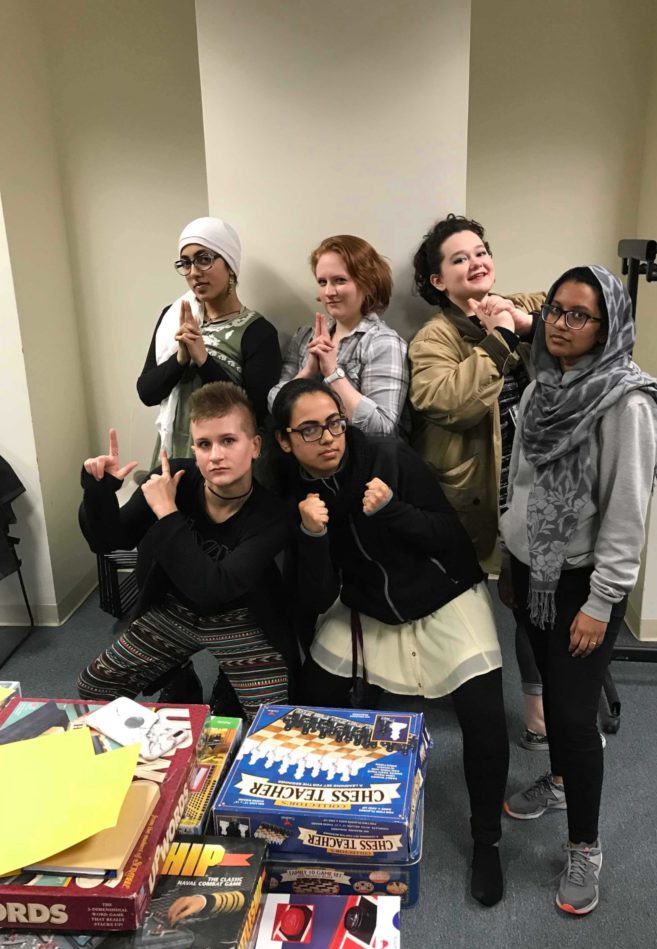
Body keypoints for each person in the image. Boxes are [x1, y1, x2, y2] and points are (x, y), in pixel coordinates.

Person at [271, 379, 509, 908]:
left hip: (443, 598)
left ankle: (487, 841)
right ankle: (329, 827)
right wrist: (310, 535)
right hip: (367, 609)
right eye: (309, 430)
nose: (328, 438)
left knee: (484, 714)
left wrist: (392, 511)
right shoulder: (289, 491)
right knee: (315, 702)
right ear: (285, 441)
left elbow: (450, 535)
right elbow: (311, 597)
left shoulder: (386, 455)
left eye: (334, 422)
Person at [500, 265, 657, 916]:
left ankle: (585, 845)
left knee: (574, 717)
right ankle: (562, 783)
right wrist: (507, 551)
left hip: (581, 582)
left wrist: (603, 604)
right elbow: (517, 481)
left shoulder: (627, 402)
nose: (560, 323)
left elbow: (628, 515)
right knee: (548, 687)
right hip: (533, 571)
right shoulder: (547, 385)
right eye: (555, 310)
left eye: (579, 314)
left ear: (611, 327)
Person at [78, 382, 297, 719]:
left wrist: (167, 513)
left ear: (254, 446)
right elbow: (109, 540)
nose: (216, 455)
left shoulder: (273, 514)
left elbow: (215, 589)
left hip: (239, 618)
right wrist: (99, 490)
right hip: (174, 611)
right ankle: (182, 683)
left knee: (271, 719)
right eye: (204, 444)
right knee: (95, 687)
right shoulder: (173, 480)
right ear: (193, 449)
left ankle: (229, 684)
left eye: (228, 441)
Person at [409, 214, 545, 575]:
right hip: (481, 493)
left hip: (534, 482)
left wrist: (528, 324)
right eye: (459, 259)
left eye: (480, 252)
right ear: (438, 281)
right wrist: (500, 340)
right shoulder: (432, 339)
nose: (476, 263)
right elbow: (450, 404)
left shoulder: (523, 304)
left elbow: (596, 324)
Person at [137, 217, 281, 460]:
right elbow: (147, 392)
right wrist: (180, 359)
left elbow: (254, 413)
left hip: (225, 463)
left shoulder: (258, 332)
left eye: (204, 260)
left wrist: (204, 360)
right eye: (186, 263)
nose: (194, 273)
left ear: (230, 265)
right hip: (172, 455)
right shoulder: (175, 317)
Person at [268, 235, 408, 436]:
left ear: (367, 284)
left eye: (340, 280)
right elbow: (274, 405)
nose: (329, 291)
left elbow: (382, 429)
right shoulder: (305, 336)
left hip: (362, 462)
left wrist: (333, 373)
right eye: (322, 281)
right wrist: (307, 371)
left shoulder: (383, 343)